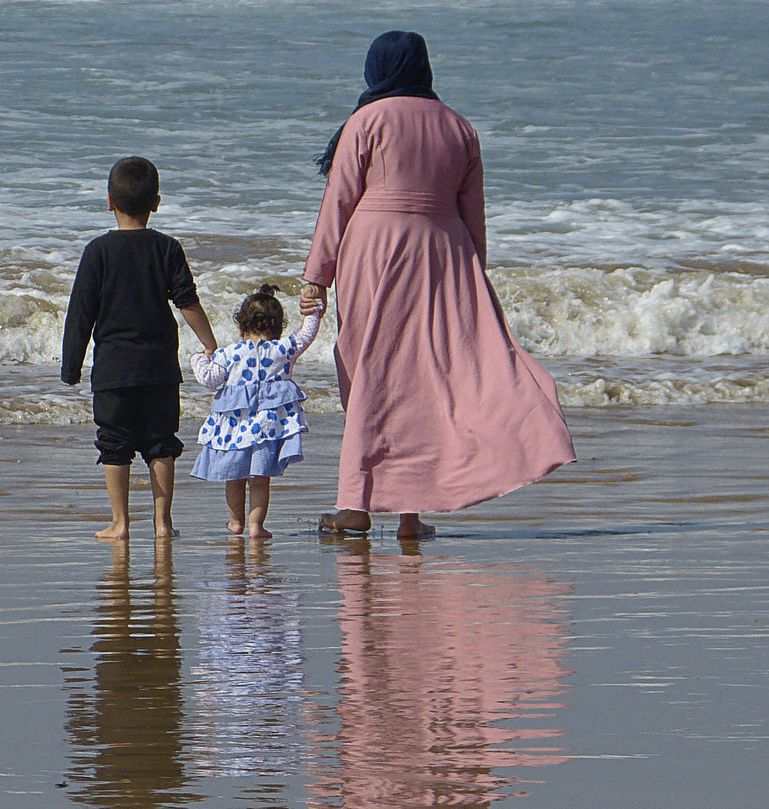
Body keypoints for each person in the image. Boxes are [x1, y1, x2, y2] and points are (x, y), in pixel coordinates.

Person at [301, 31, 575, 539]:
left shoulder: (367, 120)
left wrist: (317, 275)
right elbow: (474, 212)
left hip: (375, 250)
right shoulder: (459, 126)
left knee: (370, 371)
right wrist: (474, 274)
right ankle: (410, 516)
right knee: (425, 380)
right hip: (444, 252)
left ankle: (355, 506)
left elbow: (338, 200)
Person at [62, 156, 219, 541]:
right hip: (160, 368)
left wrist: (72, 367)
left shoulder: (97, 252)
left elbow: (80, 313)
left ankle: (120, 523)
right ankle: (162, 523)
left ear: (109, 201)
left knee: (114, 444)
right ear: (156, 203)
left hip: (113, 370)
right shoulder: (167, 248)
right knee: (160, 443)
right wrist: (211, 345)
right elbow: (187, 302)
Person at [188, 284, 320, 538]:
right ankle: (256, 526)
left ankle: (236, 522)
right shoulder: (283, 350)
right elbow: (307, 334)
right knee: (260, 479)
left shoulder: (230, 353)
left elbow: (209, 379)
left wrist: (199, 357)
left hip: (234, 429)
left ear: (241, 326)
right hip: (267, 428)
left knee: (234, 477)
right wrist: (315, 310)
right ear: (279, 326)